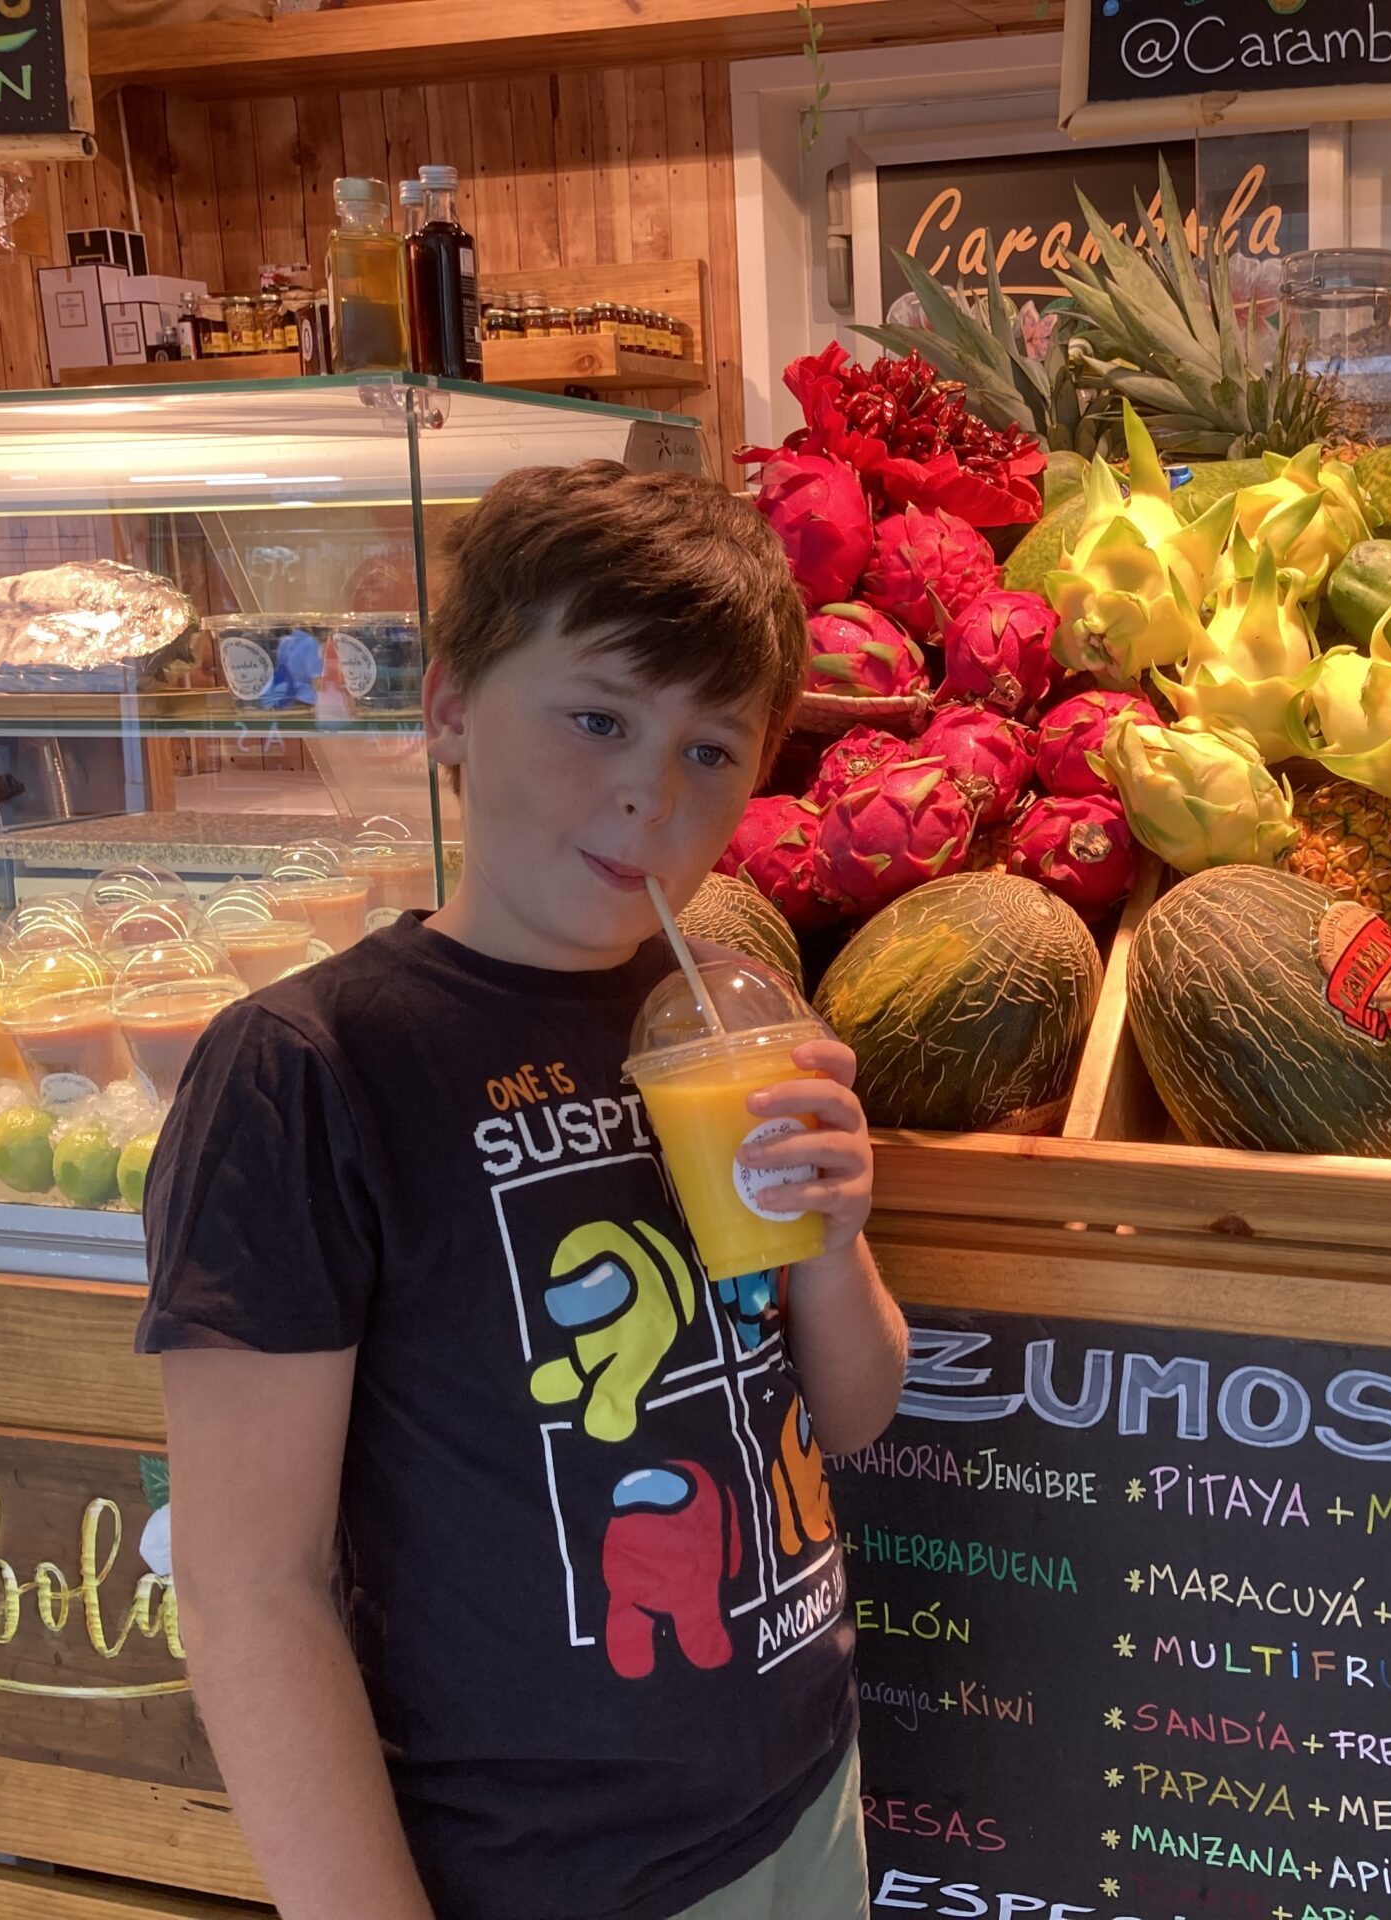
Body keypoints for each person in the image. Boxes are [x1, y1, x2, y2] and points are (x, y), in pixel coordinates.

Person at [139, 463, 904, 1920]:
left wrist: (834, 1238)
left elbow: (848, 1412)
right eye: (598, 719)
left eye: (710, 750)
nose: (649, 795)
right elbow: (250, 1590)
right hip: (538, 1872)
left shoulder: (721, 1012)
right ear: (447, 708)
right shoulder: (310, 1071)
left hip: (809, 1795)